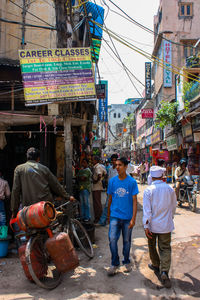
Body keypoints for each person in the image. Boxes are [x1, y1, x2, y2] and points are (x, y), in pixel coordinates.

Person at [11, 147, 74, 217]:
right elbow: (56, 185)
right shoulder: (44, 169)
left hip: (28, 208)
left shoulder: (19, 169)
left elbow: (15, 190)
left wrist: (14, 210)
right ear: (38, 158)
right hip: (44, 206)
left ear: (27, 157)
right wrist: (67, 196)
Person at [143, 166, 177, 288]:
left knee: (152, 245)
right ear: (162, 176)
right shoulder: (169, 189)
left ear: (151, 177)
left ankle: (156, 265)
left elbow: (147, 211)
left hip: (152, 225)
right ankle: (164, 271)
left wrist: (146, 226)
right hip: (166, 226)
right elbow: (174, 207)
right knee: (165, 248)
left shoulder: (149, 190)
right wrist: (170, 217)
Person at [107, 157, 138, 276]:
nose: (117, 167)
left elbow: (134, 201)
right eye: (116, 165)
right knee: (112, 239)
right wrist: (109, 215)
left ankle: (126, 261)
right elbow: (110, 199)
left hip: (127, 217)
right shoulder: (112, 181)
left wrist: (133, 218)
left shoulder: (132, 182)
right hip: (115, 215)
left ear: (126, 166)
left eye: (120, 165)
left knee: (126, 241)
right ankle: (115, 263)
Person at [97, 153, 118, 226]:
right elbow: (108, 180)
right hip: (111, 190)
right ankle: (102, 221)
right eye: (113, 160)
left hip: (117, 191)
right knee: (107, 206)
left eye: (115, 160)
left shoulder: (119, 169)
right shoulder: (110, 169)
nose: (114, 162)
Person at [92, 156, 107, 223]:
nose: (92, 161)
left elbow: (100, 175)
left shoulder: (98, 167)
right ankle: (99, 217)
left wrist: (96, 181)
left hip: (97, 187)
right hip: (97, 187)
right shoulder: (99, 166)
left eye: (93, 160)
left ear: (95, 160)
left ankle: (99, 217)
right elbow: (104, 174)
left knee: (97, 203)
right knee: (97, 202)